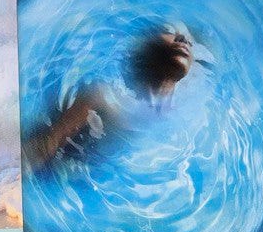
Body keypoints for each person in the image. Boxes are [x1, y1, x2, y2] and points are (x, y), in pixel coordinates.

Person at [25, 23, 194, 168]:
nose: (183, 39)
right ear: (146, 46)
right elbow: (41, 149)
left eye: (189, 41)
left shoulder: (189, 105)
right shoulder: (103, 99)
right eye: (169, 30)